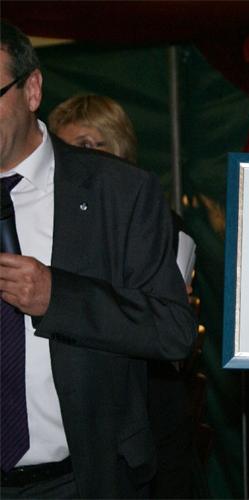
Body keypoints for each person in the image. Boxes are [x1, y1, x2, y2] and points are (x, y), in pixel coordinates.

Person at [0, 21, 195, 499]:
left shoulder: (120, 192)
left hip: (81, 481)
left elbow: (172, 330)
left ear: (32, 89)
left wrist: (58, 298)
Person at [47, 94, 203, 499]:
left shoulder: (154, 219)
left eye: (86, 145)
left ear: (119, 147)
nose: (74, 158)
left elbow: (167, 327)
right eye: (63, 148)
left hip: (148, 400)